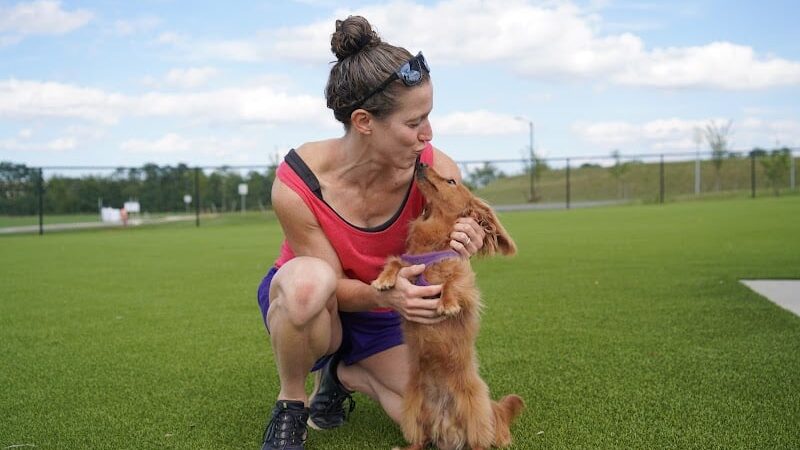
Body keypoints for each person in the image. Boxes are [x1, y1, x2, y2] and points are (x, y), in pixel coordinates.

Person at [257, 16, 486, 450]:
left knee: (443, 433)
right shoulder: (300, 181)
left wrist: (463, 244)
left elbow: (450, 262)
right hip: (317, 306)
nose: (428, 133)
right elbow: (332, 288)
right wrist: (386, 294)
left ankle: (346, 375)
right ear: (363, 121)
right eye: (414, 122)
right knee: (308, 287)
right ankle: (291, 404)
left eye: (429, 117)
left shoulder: (436, 171)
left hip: (386, 312)